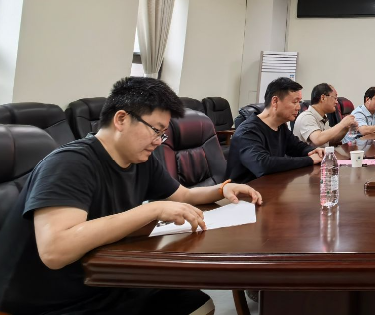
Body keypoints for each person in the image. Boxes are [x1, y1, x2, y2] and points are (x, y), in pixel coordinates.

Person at [0, 77, 263, 315]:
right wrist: (150, 210)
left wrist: (222, 190)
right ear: (121, 119)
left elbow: (182, 195)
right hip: (52, 300)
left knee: (196, 302)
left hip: (104, 281)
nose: (158, 141)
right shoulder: (70, 163)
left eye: (163, 134)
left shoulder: (140, 160)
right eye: (155, 130)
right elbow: (55, 250)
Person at [226, 77, 324, 184]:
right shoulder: (248, 131)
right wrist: (310, 160)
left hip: (270, 187)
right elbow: (262, 165)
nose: (298, 107)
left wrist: (313, 151)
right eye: (295, 102)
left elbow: (297, 147)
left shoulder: (280, 126)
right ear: (275, 101)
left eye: (299, 102)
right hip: (245, 191)